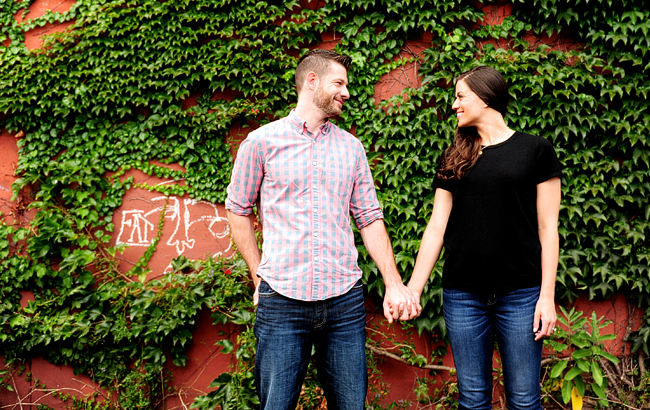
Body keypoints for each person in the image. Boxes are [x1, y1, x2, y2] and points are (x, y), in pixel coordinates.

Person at [225, 48, 420, 410]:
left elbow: (369, 217)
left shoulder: (352, 148)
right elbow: (238, 209)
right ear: (312, 82)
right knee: (276, 405)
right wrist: (258, 276)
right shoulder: (261, 142)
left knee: (350, 405)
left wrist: (393, 282)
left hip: (343, 301)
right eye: (339, 83)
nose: (346, 92)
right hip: (282, 299)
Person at [407, 65, 563, 410]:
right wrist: (414, 288)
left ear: (486, 97)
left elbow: (548, 228)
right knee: (473, 399)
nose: (454, 105)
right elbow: (436, 226)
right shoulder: (454, 156)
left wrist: (546, 297)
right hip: (463, 295)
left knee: (524, 399)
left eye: (460, 96)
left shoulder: (536, 150)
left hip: (522, 295)